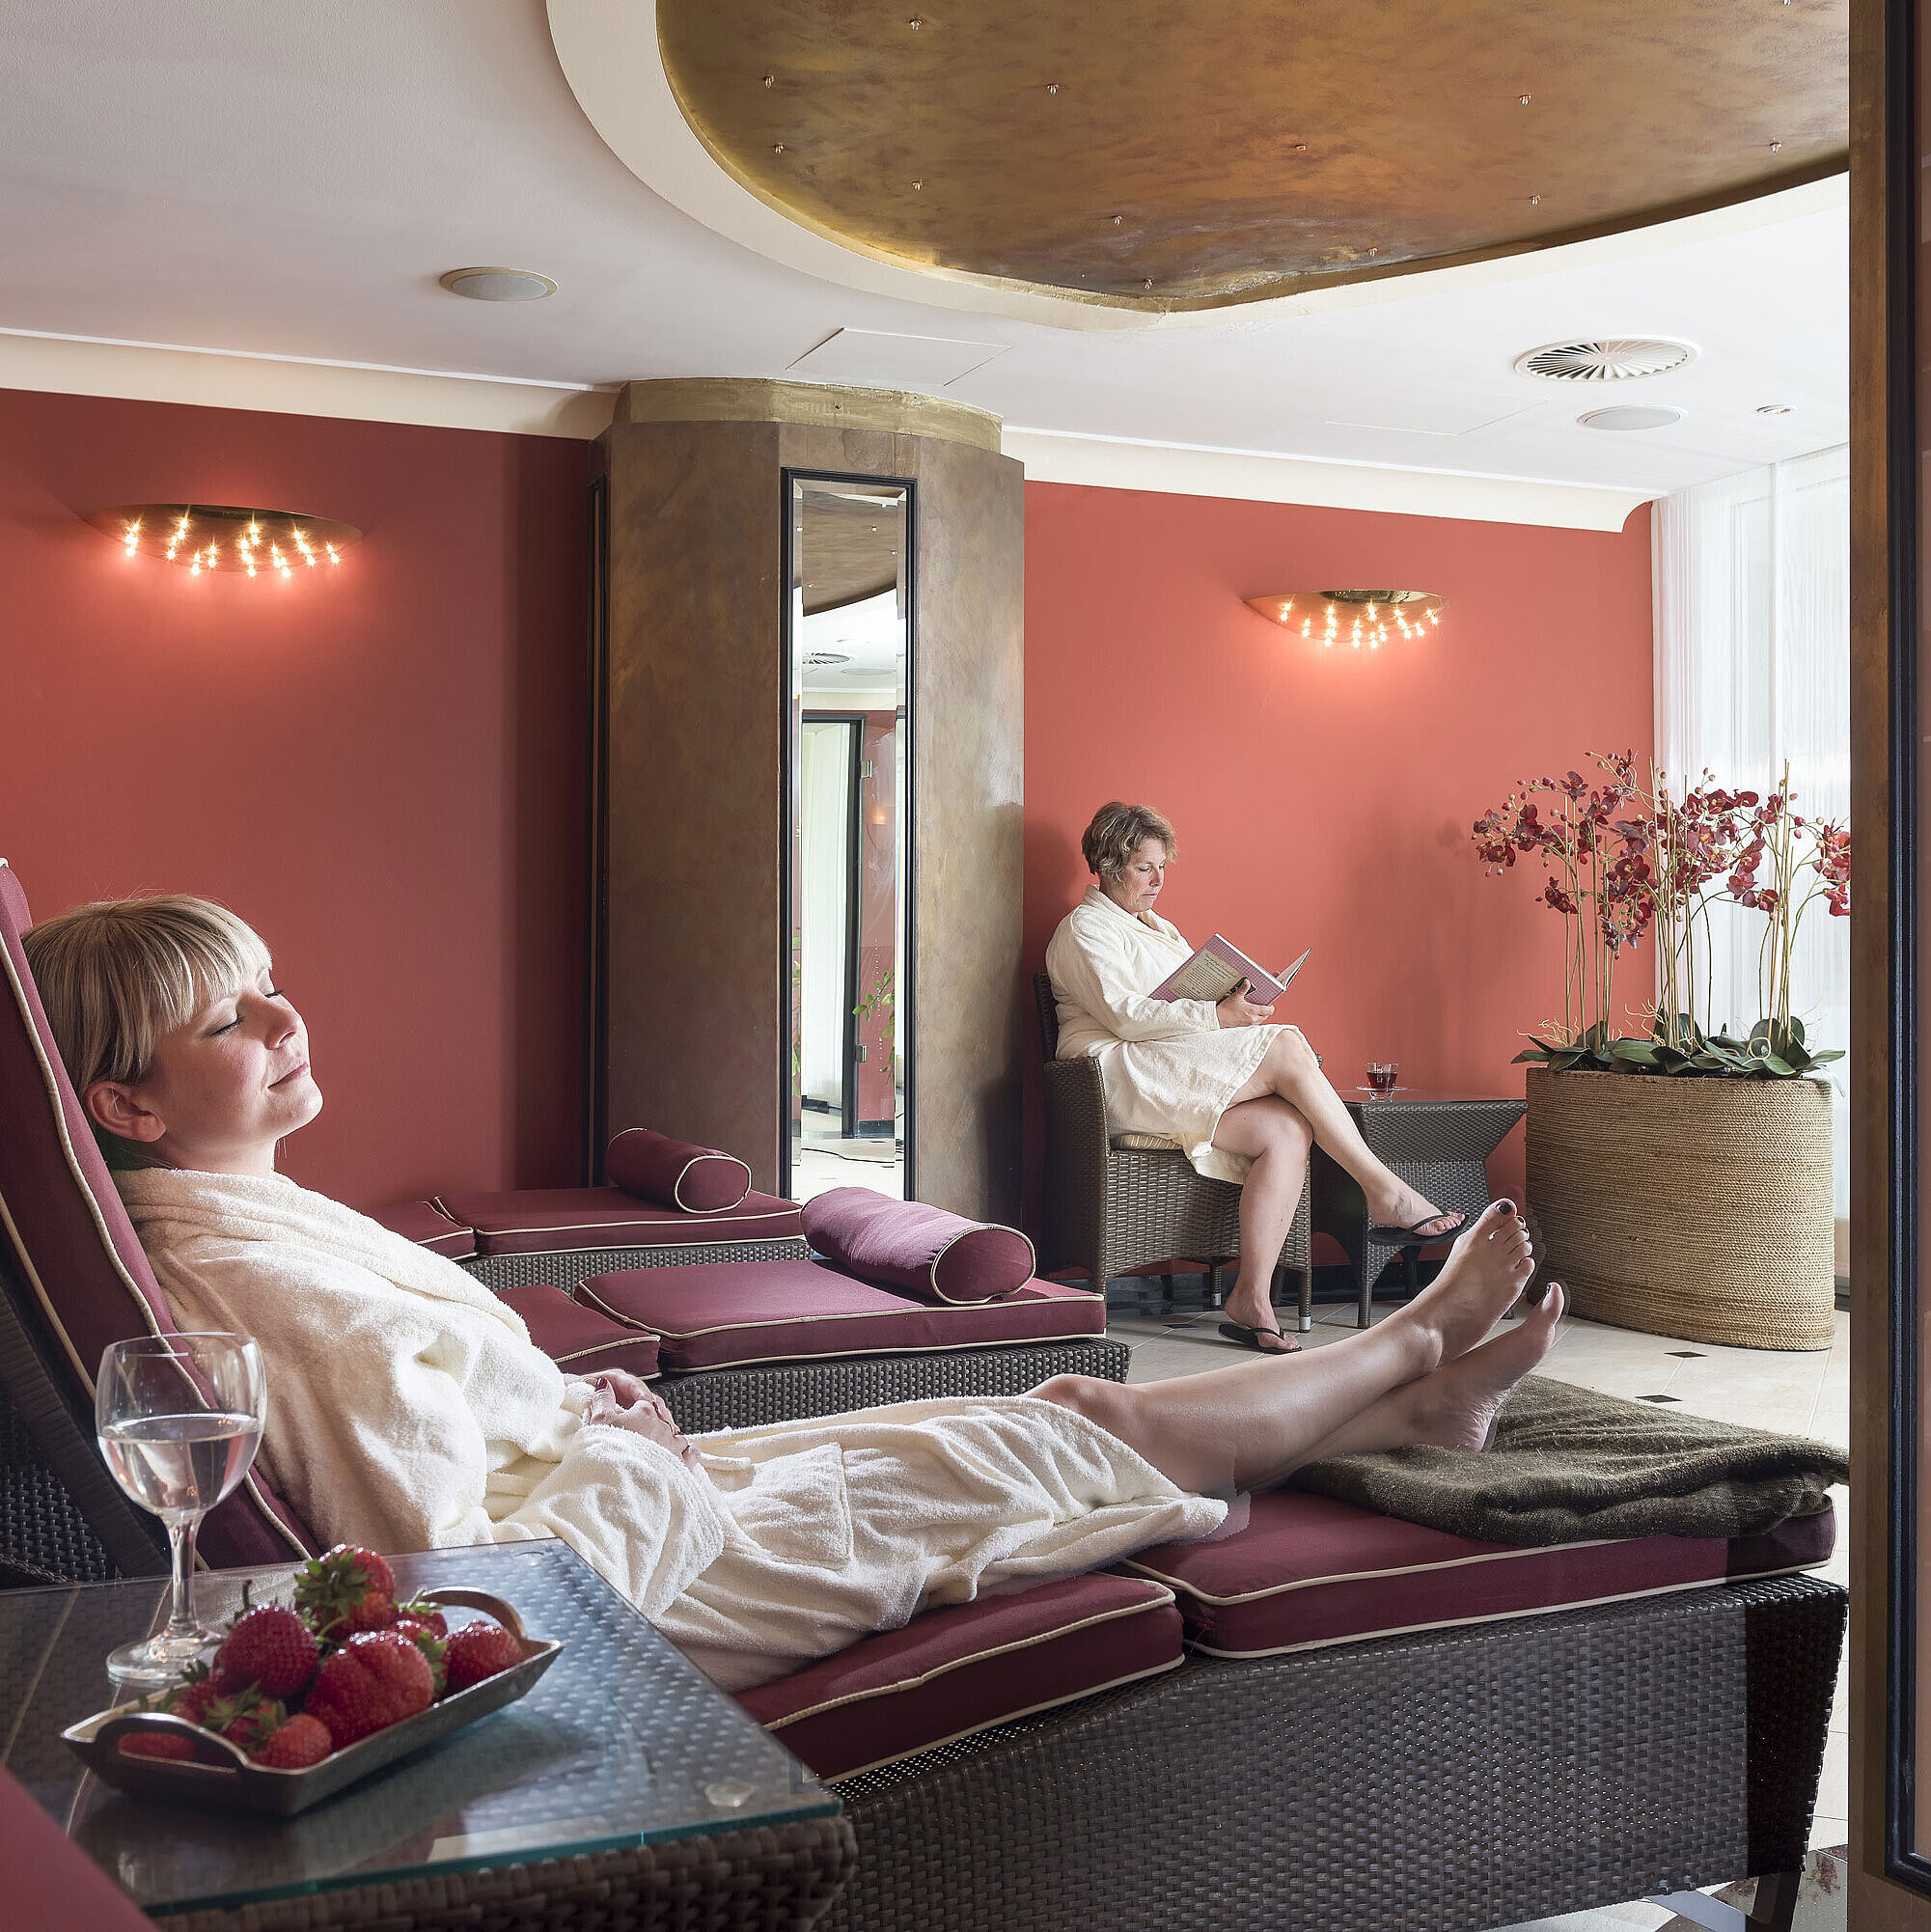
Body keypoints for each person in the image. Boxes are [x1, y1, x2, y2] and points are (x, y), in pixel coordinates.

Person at [24, 894, 1560, 1695]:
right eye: (233, 1016)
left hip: (615, 1486)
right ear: (131, 1106)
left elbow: (453, 1441)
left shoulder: (251, 1216)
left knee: (1059, 1398)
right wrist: (617, 1443)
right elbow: (451, 1580)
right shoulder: (243, 1284)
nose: (289, 1015)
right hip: (644, 1593)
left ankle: (1419, 1390)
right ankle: (1417, 1339)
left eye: (270, 976)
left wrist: (585, 1404)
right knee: (1063, 1433)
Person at [1046, 802, 1467, 1355]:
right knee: (1288, 1045)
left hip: (1171, 1067)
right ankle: (1383, 1191)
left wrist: (1233, 1002)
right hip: (1117, 1074)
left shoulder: (1158, 928)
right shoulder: (1084, 930)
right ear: (1107, 863)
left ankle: (1252, 1296)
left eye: (1163, 867)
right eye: (1145, 868)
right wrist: (1219, 1017)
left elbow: (1177, 998)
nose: (1158, 881)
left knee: (1287, 1131)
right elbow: (1125, 1015)